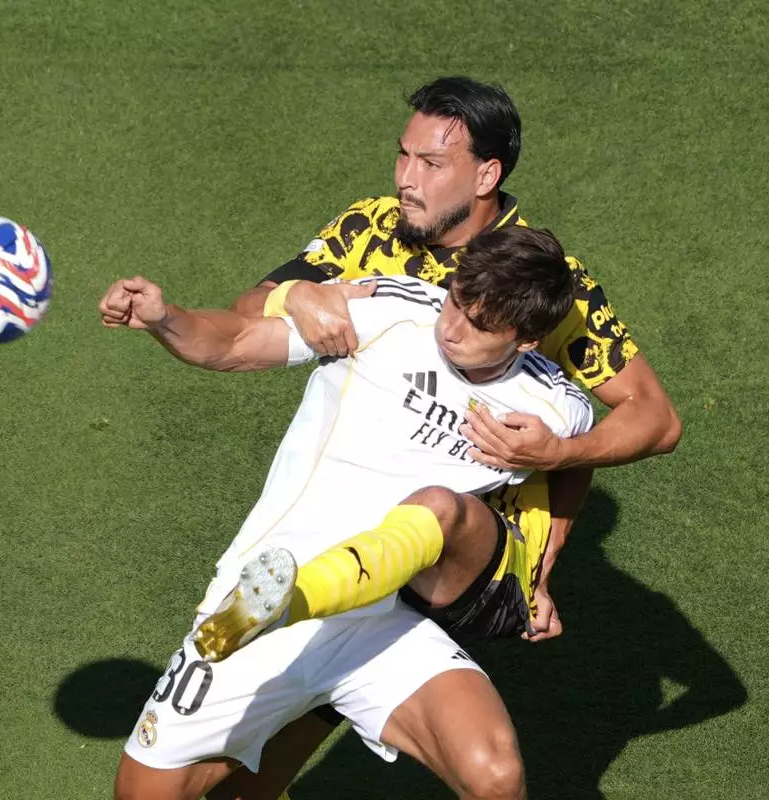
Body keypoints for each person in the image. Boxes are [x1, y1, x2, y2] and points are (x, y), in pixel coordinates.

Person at [208, 74, 682, 800]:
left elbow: (651, 415)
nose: (404, 179)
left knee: (296, 728)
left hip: (444, 552)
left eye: (430, 164)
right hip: (343, 514)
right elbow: (247, 314)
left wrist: (553, 491)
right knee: (253, 761)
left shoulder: (541, 281)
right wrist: (297, 293)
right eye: (403, 156)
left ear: (487, 174)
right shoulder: (367, 229)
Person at [100, 225, 591, 800]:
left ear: (527, 339)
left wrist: (542, 564)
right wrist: (165, 318)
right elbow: (233, 344)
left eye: (480, 324)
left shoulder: (554, 406)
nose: (452, 327)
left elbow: (577, 463)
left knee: (496, 775)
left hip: (376, 626)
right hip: (250, 609)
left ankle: (301, 603)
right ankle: (283, 607)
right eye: (457, 299)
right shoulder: (389, 311)